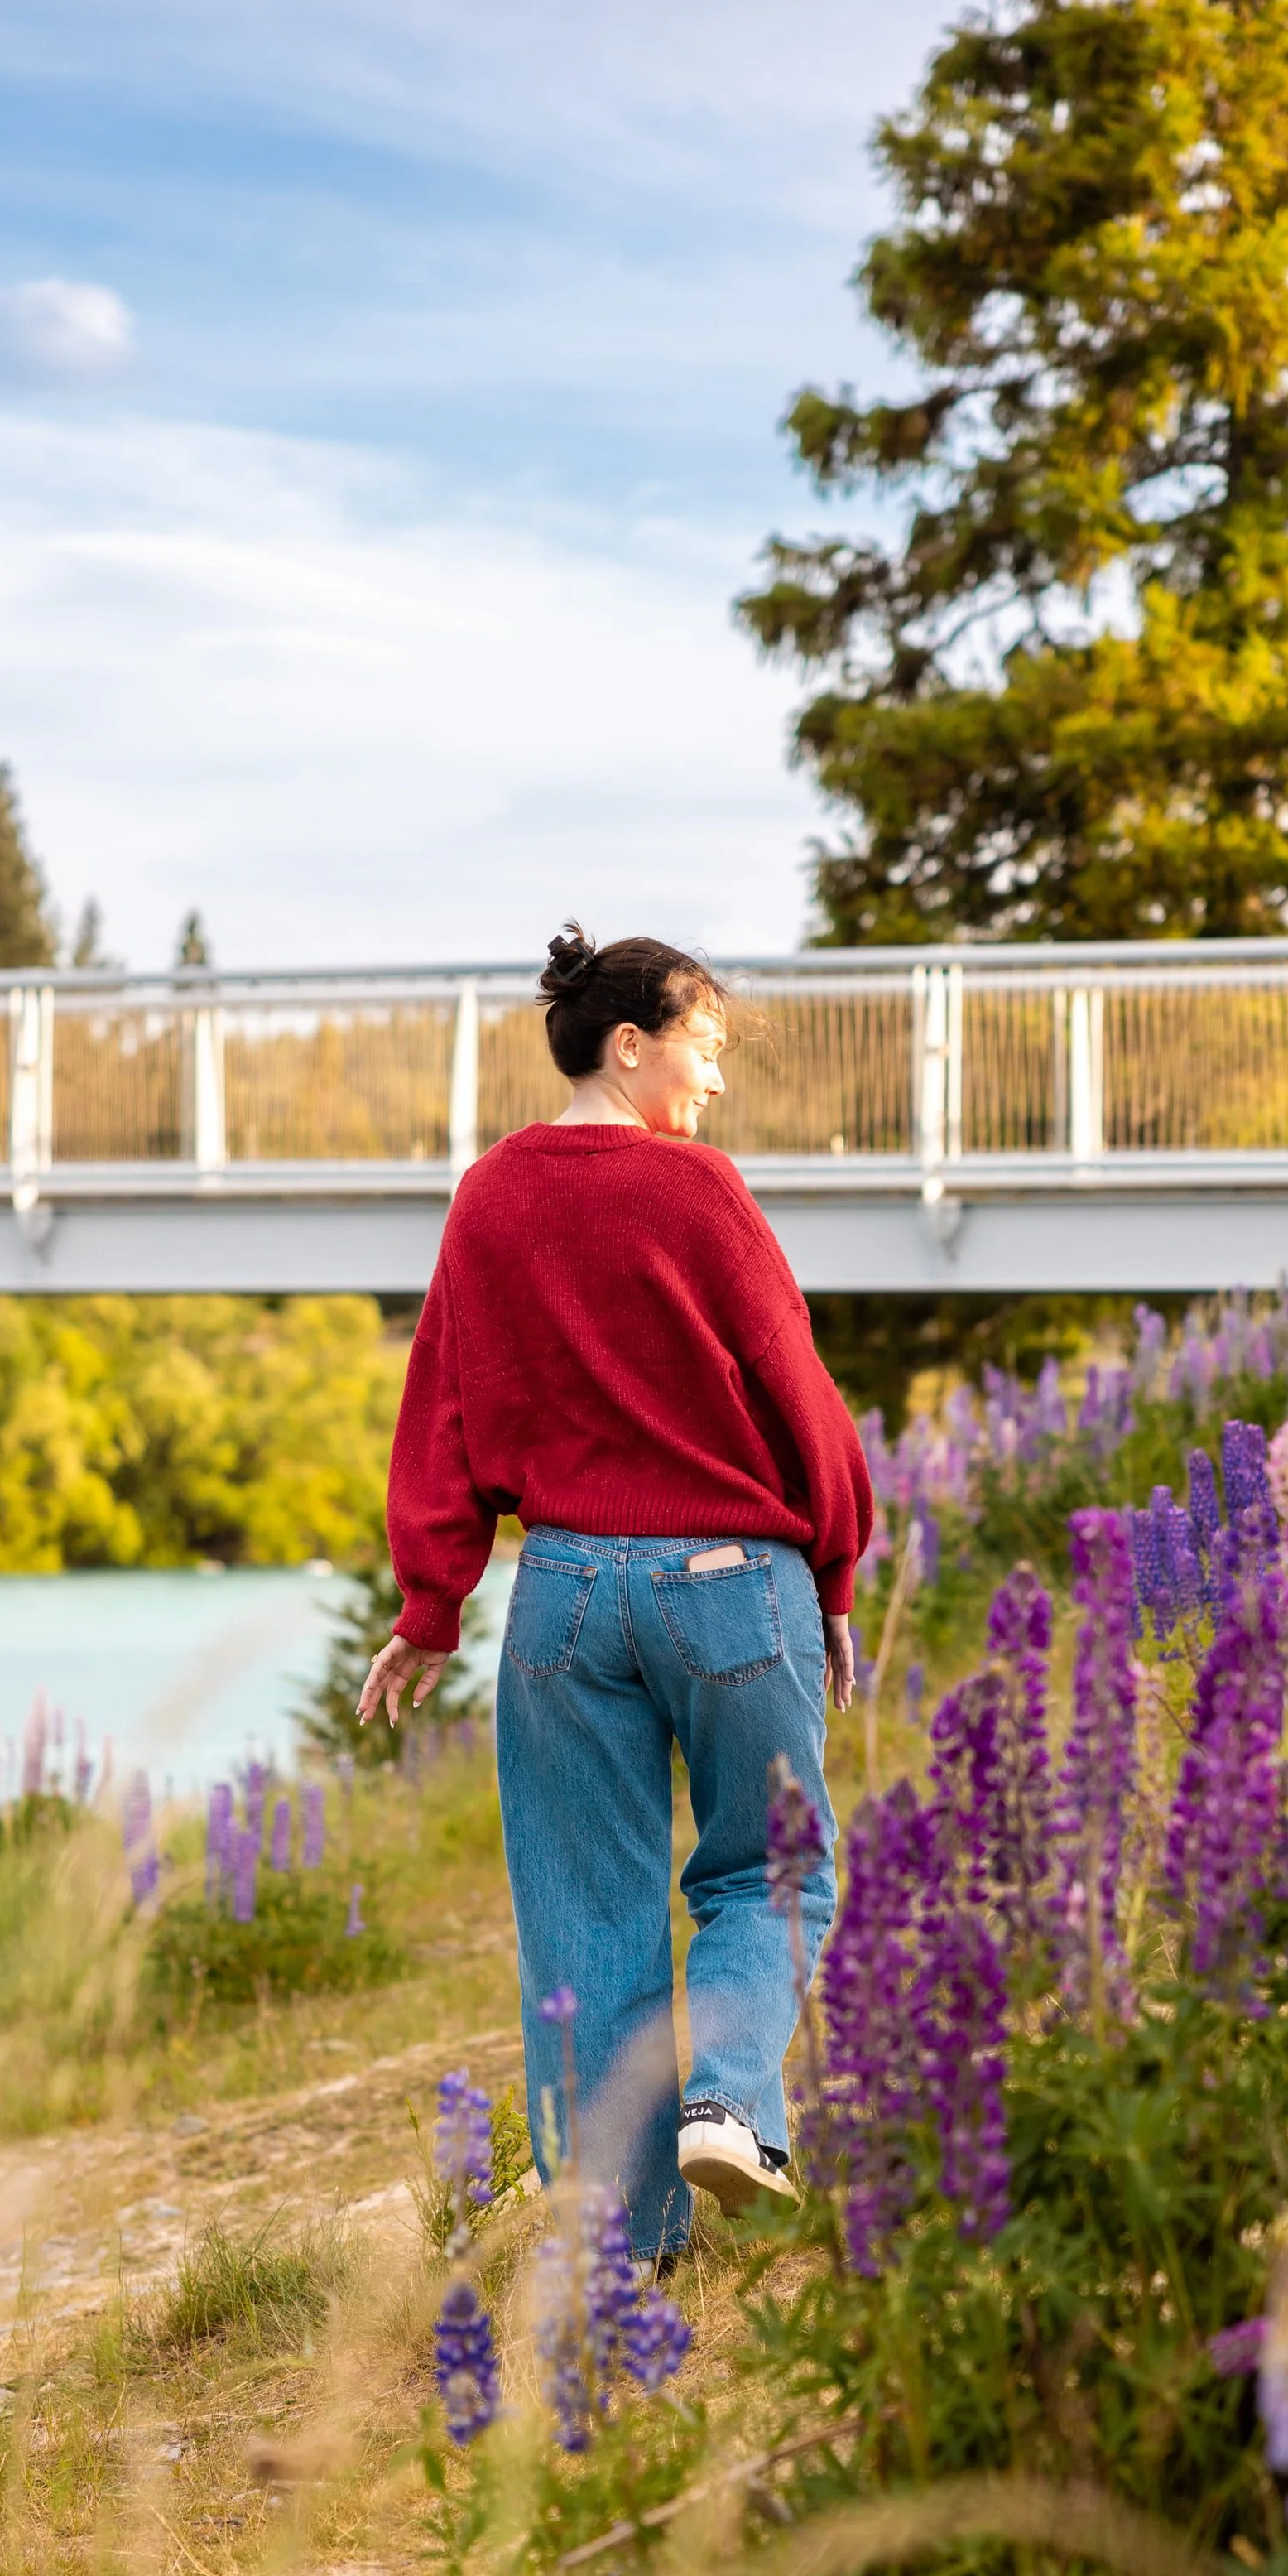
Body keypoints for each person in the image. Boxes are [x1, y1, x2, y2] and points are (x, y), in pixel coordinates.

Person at [358, 923, 871, 2264]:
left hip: (566, 1590)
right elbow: (797, 1391)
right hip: (729, 1584)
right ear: (628, 1041)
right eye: (702, 1046)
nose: (712, 1080)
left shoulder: (488, 1196)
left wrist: (432, 1601)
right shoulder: (700, 1193)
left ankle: (619, 2239)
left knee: (585, 1918)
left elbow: (447, 1402)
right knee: (772, 1869)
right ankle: (732, 2107)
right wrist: (839, 1562)